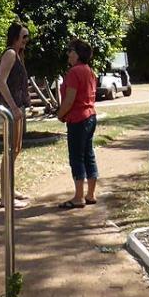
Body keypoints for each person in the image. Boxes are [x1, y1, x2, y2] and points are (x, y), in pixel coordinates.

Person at [55, 38, 98, 209]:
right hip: (90, 117)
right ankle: (91, 194)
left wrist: (60, 114)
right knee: (88, 154)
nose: (68, 53)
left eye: (71, 50)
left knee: (77, 157)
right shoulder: (89, 71)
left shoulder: (74, 72)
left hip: (78, 119)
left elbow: (70, 99)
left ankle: (78, 197)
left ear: (78, 54)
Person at [0, 21, 31, 208]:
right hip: (10, 110)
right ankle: (5, 198)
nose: (26, 40)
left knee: (15, 150)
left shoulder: (18, 55)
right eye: (23, 36)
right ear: (15, 37)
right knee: (9, 152)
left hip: (17, 108)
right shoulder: (10, 54)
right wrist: (13, 108)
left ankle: (10, 189)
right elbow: (1, 82)